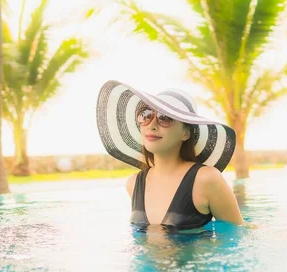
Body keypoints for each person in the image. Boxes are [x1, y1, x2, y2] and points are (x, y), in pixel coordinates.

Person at [96, 80, 245, 230]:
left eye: (165, 117)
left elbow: (238, 233)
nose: (152, 125)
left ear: (186, 132)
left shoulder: (207, 179)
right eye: (146, 115)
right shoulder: (134, 184)